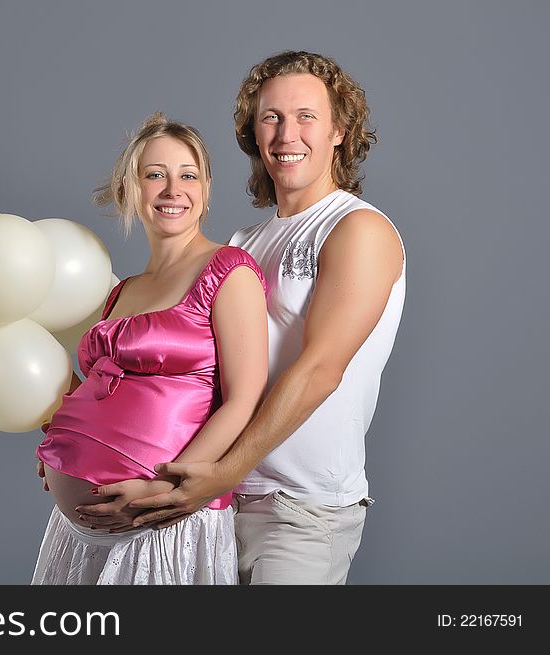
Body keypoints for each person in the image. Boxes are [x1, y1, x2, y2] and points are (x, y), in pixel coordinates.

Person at [77, 51, 406, 585]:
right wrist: (75, 441)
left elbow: (322, 368)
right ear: (253, 132)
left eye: (306, 117)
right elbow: (186, 375)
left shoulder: (357, 230)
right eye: (270, 117)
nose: (285, 134)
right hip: (214, 506)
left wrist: (219, 473)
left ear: (340, 131)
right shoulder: (242, 245)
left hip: (300, 510)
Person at [31, 112, 268, 585]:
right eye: (154, 175)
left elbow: (244, 398)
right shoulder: (122, 291)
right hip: (76, 534)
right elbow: (102, 391)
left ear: (205, 190)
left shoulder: (229, 270)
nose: (172, 189)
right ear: (130, 189)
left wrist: (165, 490)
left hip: (162, 520)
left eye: (188, 175)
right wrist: (61, 444)